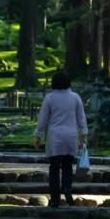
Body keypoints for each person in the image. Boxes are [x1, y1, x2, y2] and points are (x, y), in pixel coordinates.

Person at [34, 70, 88, 208]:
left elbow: (43, 119)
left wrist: (38, 136)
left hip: (55, 137)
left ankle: (55, 198)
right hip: (71, 136)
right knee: (68, 166)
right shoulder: (75, 97)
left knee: (54, 168)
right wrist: (83, 135)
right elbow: (81, 118)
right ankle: (68, 191)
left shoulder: (50, 98)